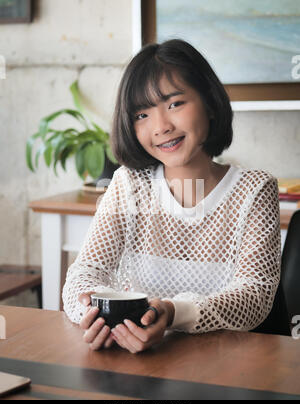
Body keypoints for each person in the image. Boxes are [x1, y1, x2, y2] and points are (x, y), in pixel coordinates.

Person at [62, 39, 281, 353]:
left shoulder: (254, 190)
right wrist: (96, 315)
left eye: (175, 104)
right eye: (142, 115)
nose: (161, 126)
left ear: (209, 103)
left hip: (223, 367)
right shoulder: (128, 185)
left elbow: (254, 296)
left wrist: (173, 313)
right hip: (132, 365)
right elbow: (85, 274)